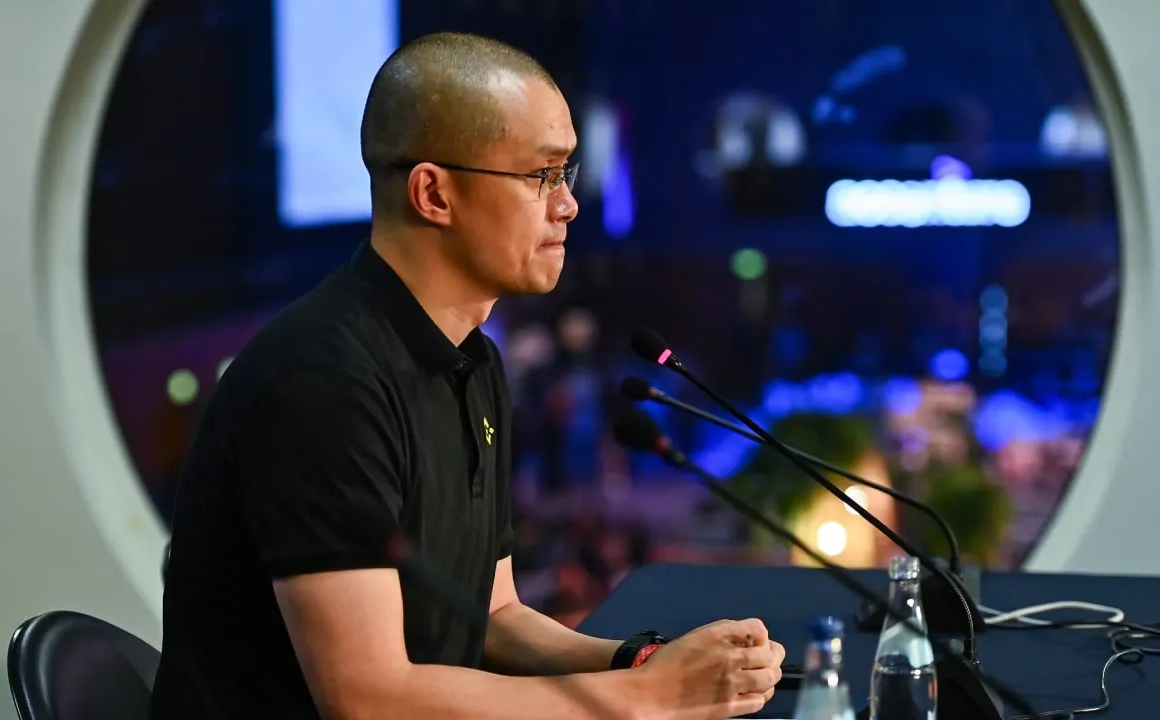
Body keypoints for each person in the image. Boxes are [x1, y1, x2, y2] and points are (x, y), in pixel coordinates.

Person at [150, 32, 784, 720]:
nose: (567, 204)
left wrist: (641, 661)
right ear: (434, 194)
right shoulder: (322, 382)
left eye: (566, 173)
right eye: (540, 175)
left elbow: (492, 617)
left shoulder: (472, 361)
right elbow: (367, 698)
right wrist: (642, 698)